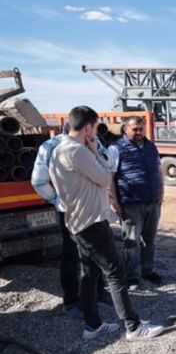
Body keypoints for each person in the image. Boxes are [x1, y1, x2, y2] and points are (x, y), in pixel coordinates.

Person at [49, 106, 163, 340]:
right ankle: (133, 327)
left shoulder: (58, 148)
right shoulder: (78, 151)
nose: (96, 135)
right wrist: (93, 150)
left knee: (89, 274)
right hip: (91, 222)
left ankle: (93, 326)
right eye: (95, 128)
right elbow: (104, 176)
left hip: (76, 220)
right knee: (115, 272)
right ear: (88, 127)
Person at [31, 125, 112, 319]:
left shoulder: (93, 142)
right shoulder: (50, 146)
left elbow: (108, 166)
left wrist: (96, 148)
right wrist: (58, 200)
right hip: (71, 210)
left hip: (95, 208)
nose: (92, 134)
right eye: (89, 130)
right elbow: (38, 181)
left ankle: (98, 293)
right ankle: (72, 301)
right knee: (72, 255)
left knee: (97, 253)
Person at [108, 116, 164, 288]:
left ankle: (148, 271)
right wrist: (114, 202)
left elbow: (159, 171)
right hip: (131, 203)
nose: (139, 132)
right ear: (125, 129)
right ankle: (132, 275)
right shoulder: (116, 149)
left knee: (150, 240)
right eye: (135, 129)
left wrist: (161, 194)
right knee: (131, 242)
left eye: (141, 128)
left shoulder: (151, 146)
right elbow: (109, 177)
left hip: (152, 201)